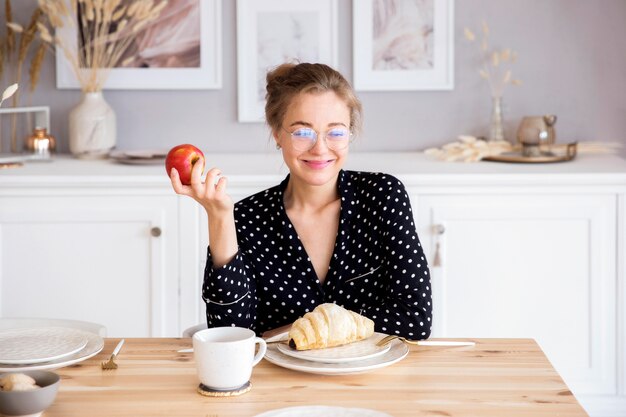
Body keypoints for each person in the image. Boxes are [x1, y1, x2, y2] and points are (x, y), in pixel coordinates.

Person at [170, 62, 432, 339]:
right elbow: (230, 336)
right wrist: (220, 217)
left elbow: (415, 320)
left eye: (336, 131)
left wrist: (295, 332)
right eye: (303, 132)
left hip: (372, 379)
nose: (320, 148)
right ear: (277, 134)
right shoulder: (245, 218)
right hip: (278, 381)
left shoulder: (382, 196)